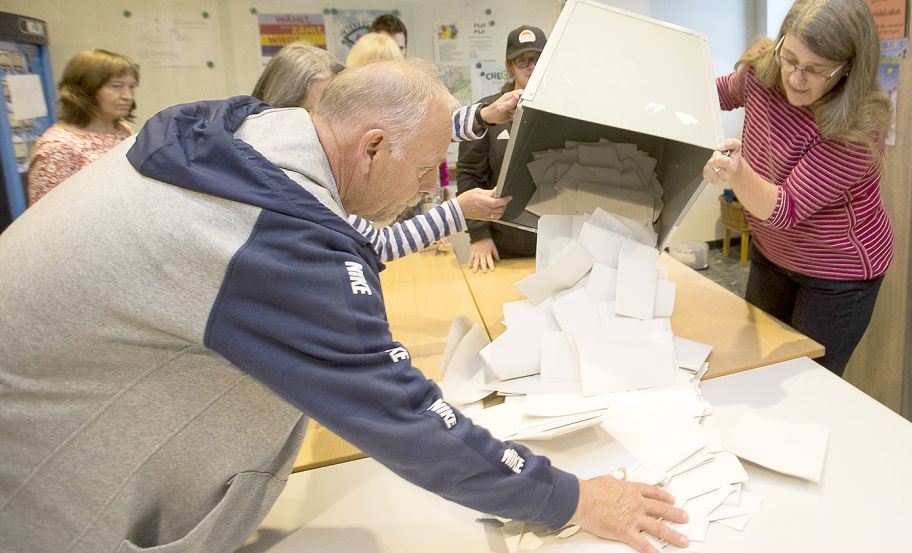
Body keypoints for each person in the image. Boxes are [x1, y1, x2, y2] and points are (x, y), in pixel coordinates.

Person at [0, 59, 689, 553]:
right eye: (424, 173)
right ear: (371, 147)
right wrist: (569, 497)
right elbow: (400, 413)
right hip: (45, 498)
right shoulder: (267, 237)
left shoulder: (237, 137)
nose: (426, 192)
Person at [703, 0, 892, 377]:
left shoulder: (858, 127)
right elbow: (714, 95)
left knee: (809, 384)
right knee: (756, 365)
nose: (795, 78)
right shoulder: (762, 72)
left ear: (848, 67)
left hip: (838, 273)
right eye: (789, 58)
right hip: (773, 252)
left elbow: (784, 209)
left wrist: (737, 172)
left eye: (815, 69)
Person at [254, 40, 511, 261]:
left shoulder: (292, 140)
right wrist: (457, 212)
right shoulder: (297, 184)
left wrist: (481, 115)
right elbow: (374, 242)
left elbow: (410, 132)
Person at [457, 25, 546, 272]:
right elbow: (469, 176)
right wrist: (479, 235)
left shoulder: (563, 113)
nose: (532, 66)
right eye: (522, 60)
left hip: (560, 243)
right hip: (505, 245)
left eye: (539, 59)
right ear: (509, 66)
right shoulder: (488, 113)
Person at [26, 48, 139, 205]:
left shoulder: (123, 131)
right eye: (116, 86)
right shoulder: (58, 147)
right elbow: (48, 217)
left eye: (132, 87)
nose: (127, 96)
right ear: (86, 90)